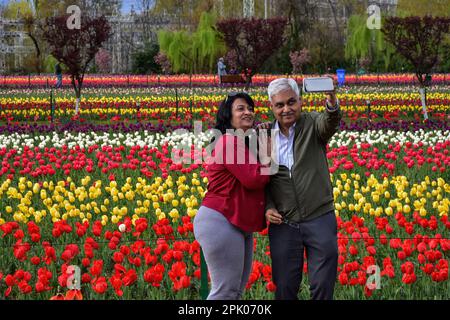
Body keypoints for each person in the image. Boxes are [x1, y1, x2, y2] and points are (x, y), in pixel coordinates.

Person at [264, 78, 342, 300]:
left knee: (322, 287)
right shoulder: (264, 136)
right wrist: (268, 206)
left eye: (291, 102)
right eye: (279, 105)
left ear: (300, 102)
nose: (286, 109)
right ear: (272, 107)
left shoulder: (313, 124)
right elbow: (262, 180)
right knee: (285, 288)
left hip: (319, 217)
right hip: (284, 223)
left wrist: (331, 101)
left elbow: (330, 121)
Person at [194, 92, 271, 300]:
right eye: (240, 108)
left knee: (234, 292)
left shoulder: (239, 141)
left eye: (250, 108)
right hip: (221, 219)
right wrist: (267, 149)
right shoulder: (228, 141)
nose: (248, 112)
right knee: (225, 292)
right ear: (228, 116)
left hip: (234, 221)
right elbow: (255, 178)